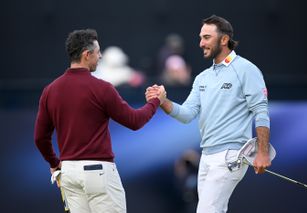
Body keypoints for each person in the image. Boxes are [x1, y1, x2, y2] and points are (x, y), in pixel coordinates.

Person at [146, 15, 271, 213]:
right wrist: (163, 101)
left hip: (232, 155)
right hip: (207, 155)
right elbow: (186, 114)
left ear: (223, 39)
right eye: (201, 37)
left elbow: (261, 111)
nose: (201, 43)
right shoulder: (202, 78)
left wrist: (263, 152)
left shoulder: (246, 70)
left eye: (206, 37)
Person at [34, 29, 166, 213]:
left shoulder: (50, 90)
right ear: (86, 55)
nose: (100, 56)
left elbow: (40, 138)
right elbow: (134, 121)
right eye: (97, 52)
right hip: (99, 172)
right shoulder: (102, 88)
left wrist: (54, 163)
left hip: (68, 173)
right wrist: (155, 101)